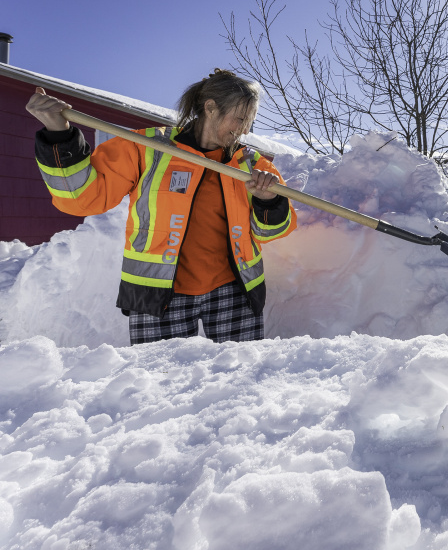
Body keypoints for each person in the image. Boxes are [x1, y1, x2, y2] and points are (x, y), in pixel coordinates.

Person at [28, 69, 297, 344]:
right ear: (211, 108)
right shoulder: (148, 148)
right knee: (160, 382)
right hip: (159, 294)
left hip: (235, 292)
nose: (244, 129)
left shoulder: (252, 166)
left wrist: (269, 199)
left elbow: (272, 232)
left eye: (249, 122)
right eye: (240, 118)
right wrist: (59, 136)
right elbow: (81, 199)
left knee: (238, 380)